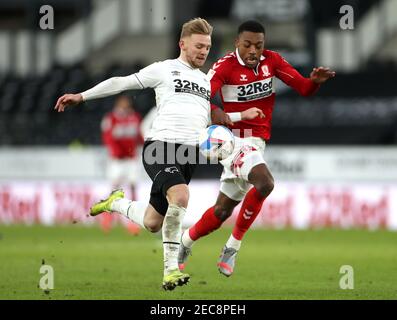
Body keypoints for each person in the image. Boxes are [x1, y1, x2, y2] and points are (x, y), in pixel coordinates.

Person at [54, 18, 262, 290]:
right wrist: (82, 96)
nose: (203, 51)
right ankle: (171, 270)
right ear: (182, 44)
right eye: (198, 46)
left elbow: (209, 115)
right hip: (160, 147)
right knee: (181, 196)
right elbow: (122, 82)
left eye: (207, 47)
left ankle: (116, 203)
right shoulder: (165, 70)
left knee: (153, 221)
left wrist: (238, 116)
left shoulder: (204, 80)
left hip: (189, 156)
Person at [178, 20, 336, 277]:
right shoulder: (224, 66)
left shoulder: (272, 61)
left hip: (256, 143)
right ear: (237, 43)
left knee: (221, 212)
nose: (254, 51)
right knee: (265, 183)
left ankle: (184, 242)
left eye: (259, 46)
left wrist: (314, 81)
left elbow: (304, 88)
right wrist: (216, 109)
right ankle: (232, 247)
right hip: (231, 142)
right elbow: (200, 97)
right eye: (248, 44)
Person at [100, 95, 144, 234]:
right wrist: (115, 151)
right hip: (117, 160)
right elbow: (107, 137)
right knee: (115, 188)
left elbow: (139, 136)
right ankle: (108, 217)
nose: (125, 105)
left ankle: (133, 220)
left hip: (131, 159)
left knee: (132, 186)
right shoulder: (111, 118)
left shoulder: (135, 117)